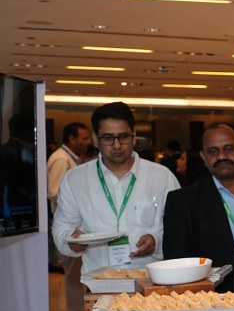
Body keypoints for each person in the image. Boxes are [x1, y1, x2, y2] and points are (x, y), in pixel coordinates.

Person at [52, 101, 179, 280]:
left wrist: (156, 241)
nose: (117, 145)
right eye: (108, 138)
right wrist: (71, 241)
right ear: (95, 139)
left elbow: (180, 228)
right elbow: (62, 227)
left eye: (123, 137)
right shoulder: (75, 179)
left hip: (151, 280)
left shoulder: (161, 177)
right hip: (99, 280)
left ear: (134, 136)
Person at [162, 123, 234, 294]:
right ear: (203, 157)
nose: (222, 156)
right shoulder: (183, 202)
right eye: (213, 151)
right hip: (217, 301)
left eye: (229, 149)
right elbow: (177, 266)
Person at [47, 122, 94, 310]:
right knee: (74, 277)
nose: (88, 142)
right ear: (71, 139)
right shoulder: (61, 159)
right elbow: (53, 192)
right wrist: (77, 201)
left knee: (77, 276)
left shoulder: (71, 159)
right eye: (84, 138)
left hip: (77, 228)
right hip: (70, 227)